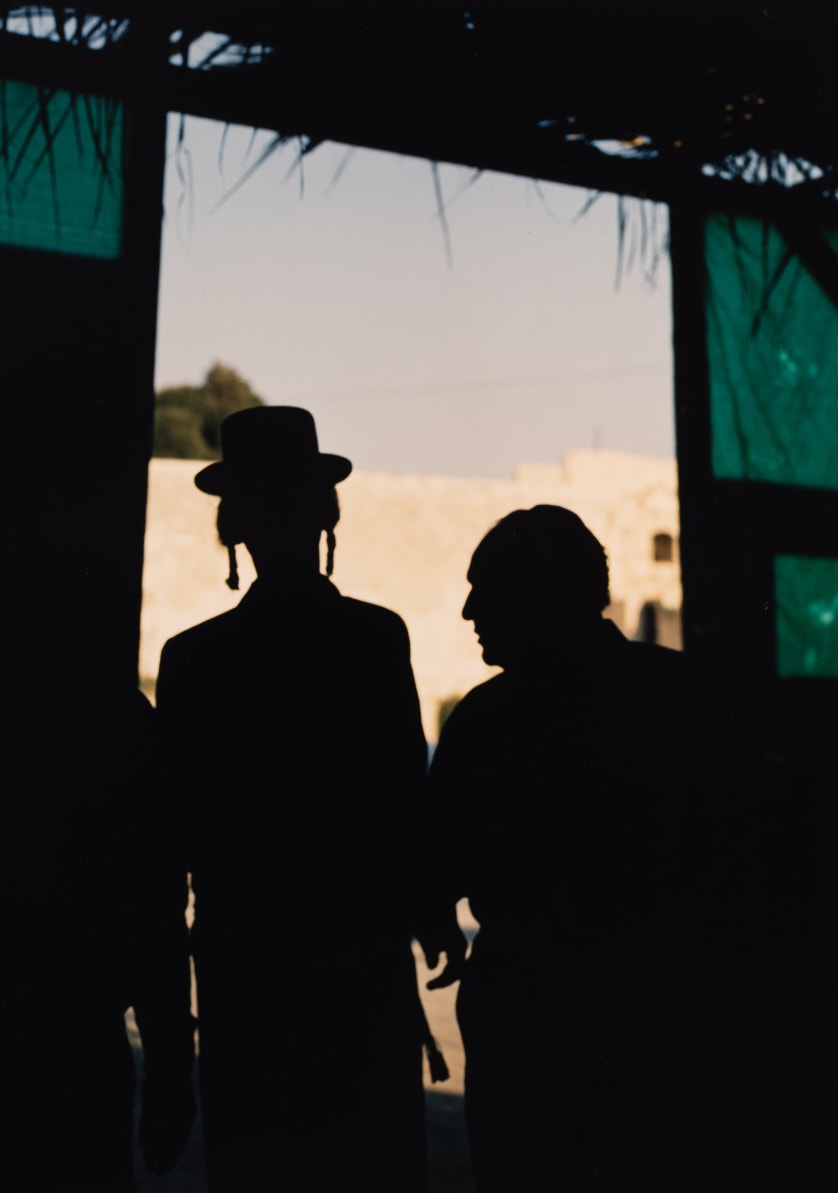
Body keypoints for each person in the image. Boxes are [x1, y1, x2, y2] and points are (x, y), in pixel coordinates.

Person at [156, 406, 449, 1193]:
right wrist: (429, 913)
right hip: (361, 970)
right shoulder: (377, 638)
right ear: (328, 515)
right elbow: (402, 791)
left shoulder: (191, 661)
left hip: (245, 979)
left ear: (232, 528)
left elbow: (168, 843)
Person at [426, 504, 738, 1193]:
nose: (469, 610)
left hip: (527, 1022)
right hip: (663, 1015)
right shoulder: (687, 693)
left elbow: (433, 864)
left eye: (487, 588)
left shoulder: (484, 720)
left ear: (536, 595)